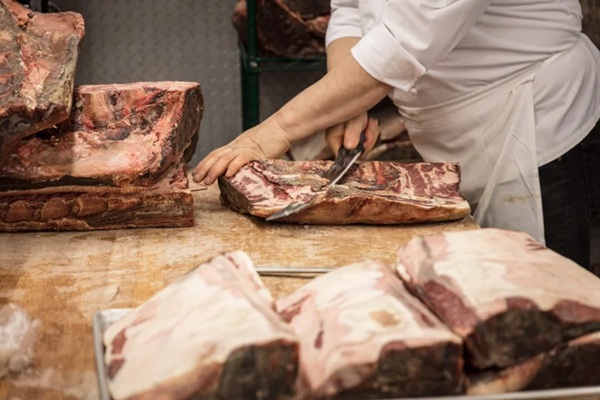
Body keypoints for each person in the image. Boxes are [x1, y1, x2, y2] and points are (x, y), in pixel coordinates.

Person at [193, 0, 600, 270]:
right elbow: (351, 10)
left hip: (533, 123)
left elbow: (406, 42)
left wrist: (274, 131)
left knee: (547, 313)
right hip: (452, 136)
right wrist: (349, 103)